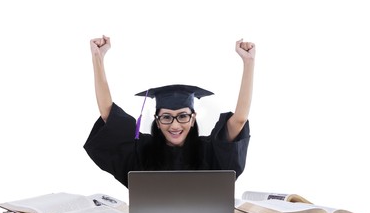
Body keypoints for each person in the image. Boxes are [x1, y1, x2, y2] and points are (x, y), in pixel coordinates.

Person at [84, 35, 255, 188]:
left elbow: (239, 120)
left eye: (182, 116)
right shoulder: (142, 151)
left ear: (193, 118)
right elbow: (108, 113)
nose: (174, 125)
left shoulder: (209, 151)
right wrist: (97, 57)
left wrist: (249, 62)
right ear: (157, 121)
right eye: (166, 117)